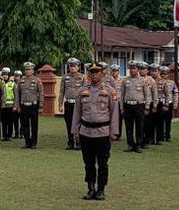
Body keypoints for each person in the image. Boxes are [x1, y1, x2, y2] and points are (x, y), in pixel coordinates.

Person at [71, 62, 119, 201]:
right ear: (88, 74)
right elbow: (77, 112)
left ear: (102, 73)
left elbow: (114, 112)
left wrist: (114, 131)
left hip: (103, 132)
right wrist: (75, 131)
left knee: (103, 163)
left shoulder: (110, 91)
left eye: (97, 72)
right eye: (91, 72)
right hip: (86, 132)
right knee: (88, 162)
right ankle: (91, 188)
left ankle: (101, 189)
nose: (94, 74)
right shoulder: (82, 91)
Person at [119, 62, 151, 153]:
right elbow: (122, 95)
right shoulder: (125, 80)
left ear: (138, 70)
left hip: (139, 105)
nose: (132, 70)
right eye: (131, 68)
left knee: (139, 126)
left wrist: (147, 107)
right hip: (128, 105)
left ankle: (138, 145)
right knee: (128, 126)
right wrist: (121, 107)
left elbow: (147, 95)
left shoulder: (143, 80)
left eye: (134, 68)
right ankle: (130, 144)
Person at [15, 62, 43, 149]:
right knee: (24, 125)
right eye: (26, 69)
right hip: (24, 105)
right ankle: (27, 142)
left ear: (33, 70)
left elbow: (41, 93)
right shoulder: (21, 80)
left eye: (29, 69)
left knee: (34, 125)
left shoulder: (37, 80)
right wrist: (18, 106)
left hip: (33, 105)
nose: (27, 71)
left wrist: (41, 106)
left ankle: (33, 143)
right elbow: (17, 95)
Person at [60, 58, 82, 150]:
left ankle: (78, 142)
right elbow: (61, 92)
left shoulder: (82, 77)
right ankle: (70, 142)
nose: (72, 68)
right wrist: (60, 104)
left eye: (74, 66)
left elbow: (85, 91)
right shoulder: (65, 77)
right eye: (70, 66)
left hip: (78, 104)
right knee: (69, 124)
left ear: (78, 67)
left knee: (78, 124)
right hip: (68, 103)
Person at [158, 66, 178, 143]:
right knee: (160, 120)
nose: (163, 75)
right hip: (160, 102)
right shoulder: (157, 82)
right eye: (162, 73)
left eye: (165, 74)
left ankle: (167, 135)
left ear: (168, 74)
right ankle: (161, 135)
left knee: (168, 121)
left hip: (169, 103)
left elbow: (175, 93)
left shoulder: (172, 83)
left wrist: (175, 104)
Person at [0, 68, 16, 141]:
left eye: (6, 75)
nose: (5, 76)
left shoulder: (12, 84)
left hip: (10, 106)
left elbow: (16, 96)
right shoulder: (0, 83)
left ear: (9, 76)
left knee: (10, 121)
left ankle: (9, 135)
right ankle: (4, 135)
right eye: (3, 74)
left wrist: (15, 106)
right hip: (2, 106)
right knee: (3, 121)